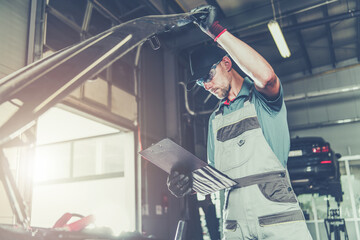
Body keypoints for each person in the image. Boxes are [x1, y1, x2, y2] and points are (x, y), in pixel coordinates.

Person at [167, 5, 313, 240]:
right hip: (234, 226)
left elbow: (266, 77)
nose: (206, 85)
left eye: (208, 76)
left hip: (278, 221)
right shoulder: (216, 120)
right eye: (201, 82)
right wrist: (185, 183)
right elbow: (216, 178)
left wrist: (216, 31)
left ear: (226, 63)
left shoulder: (263, 102)